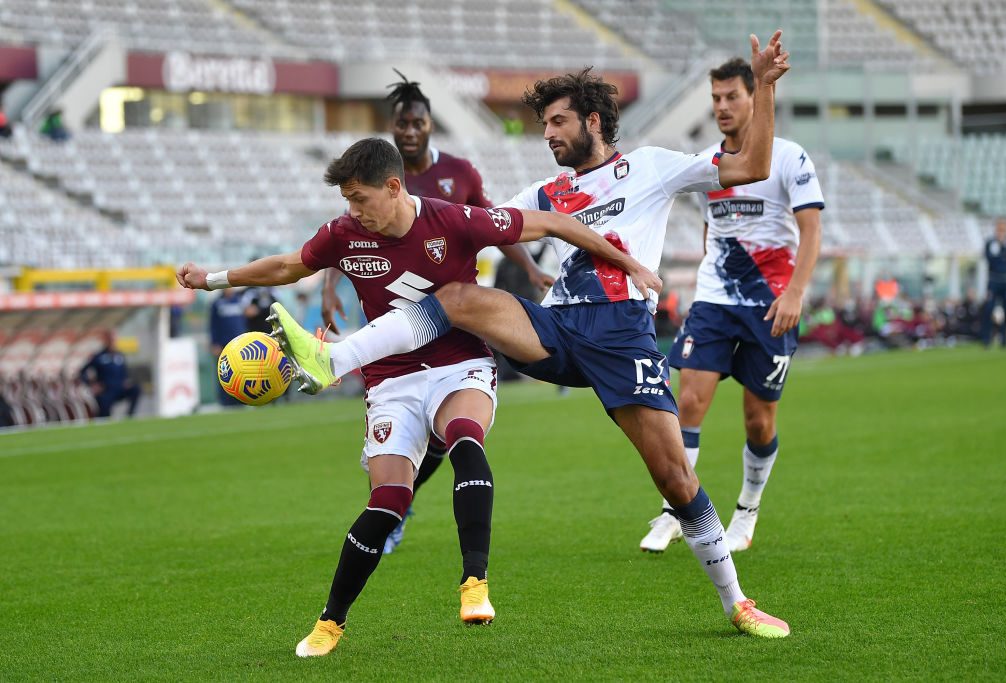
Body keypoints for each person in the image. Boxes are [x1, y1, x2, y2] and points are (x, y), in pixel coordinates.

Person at [269, 32, 794, 639]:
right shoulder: (542, 195)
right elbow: (458, 229)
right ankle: (337, 359)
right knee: (457, 298)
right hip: (554, 328)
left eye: (557, 121)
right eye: (544, 123)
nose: (547, 133)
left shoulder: (650, 167)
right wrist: (361, 239)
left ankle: (737, 603)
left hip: (623, 338)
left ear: (592, 121)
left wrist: (769, 87)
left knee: (676, 479)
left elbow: (752, 166)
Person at [176, 137, 653, 656]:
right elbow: (289, 266)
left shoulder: (455, 221)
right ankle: (330, 622)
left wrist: (630, 266)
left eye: (360, 199)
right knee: (388, 501)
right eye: (347, 201)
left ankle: (475, 584)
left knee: (465, 439)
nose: (353, 211)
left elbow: (559, 223)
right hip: (390, 380)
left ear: (394, 187)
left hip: (460, 365)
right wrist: (212, 280)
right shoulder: (345, 234)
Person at [320, 72, 555, 554]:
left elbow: (490, 224)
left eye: (418, 122)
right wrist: (330, 285)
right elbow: (344, 238)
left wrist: (530, 269)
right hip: (395, 320)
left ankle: (401, 509)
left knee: (448, 433)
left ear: (430, 125)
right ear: (393, 127)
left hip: (451, 321)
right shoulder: (375, 181)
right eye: (402, 123)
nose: (409, 131)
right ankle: (395, 506)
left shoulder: (459, 175)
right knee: (419, 428)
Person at [642, 57, 823, 555]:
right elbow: (710, 231)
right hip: (716, 301)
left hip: (772, 305)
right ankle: (674, 512)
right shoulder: (708, 163)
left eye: (731, 97)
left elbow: (812, 230)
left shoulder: (789, 157)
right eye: (715, 98)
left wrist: (796, 292)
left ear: (754, 97)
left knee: (758, 420)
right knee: (689, 401)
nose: (722, 107)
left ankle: (747, 511)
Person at [79, 330, 141, 418]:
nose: (113, 342)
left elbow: (125, 373)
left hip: (120, 389)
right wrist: (92, 384)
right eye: (111, 339)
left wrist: (126, 381)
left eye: (114, 339)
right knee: (104, 415)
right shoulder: (98, 356)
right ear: (106, 340)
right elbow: (82, 372)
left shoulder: (120, 356)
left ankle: (130, 416)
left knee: (136, 389)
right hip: (106, 391)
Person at [981, 218, 1006, 348]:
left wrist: (1004, 248)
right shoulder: (991, 242)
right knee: (989, 308)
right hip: (994, 280)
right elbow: (991, 259)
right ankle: (987, 338)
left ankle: (1004, 338)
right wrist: (1002, 250)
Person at [209, 288, 248, 406]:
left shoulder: (240, 300)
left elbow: (244, 321)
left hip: (240, 344)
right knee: (224, 373)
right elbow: (213, 324)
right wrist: (214, 342)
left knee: (242, 372)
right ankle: (225, 401)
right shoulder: (217, 303)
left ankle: (242, 399)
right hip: (223, 345)